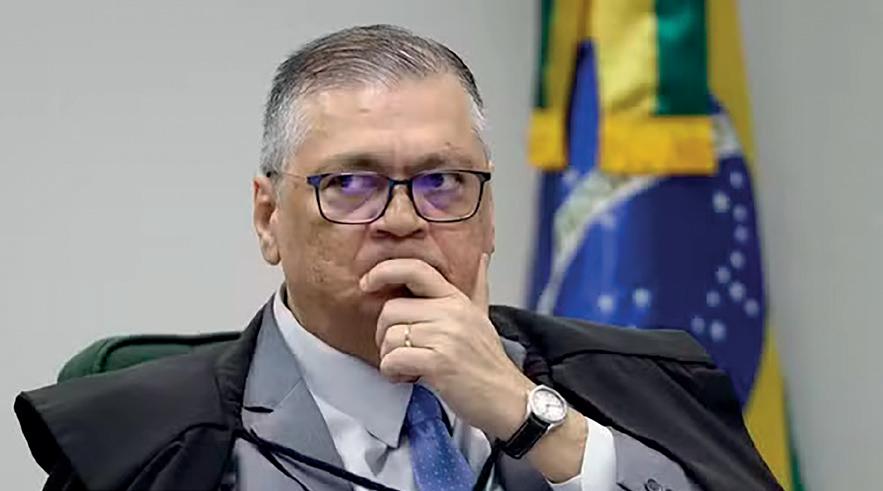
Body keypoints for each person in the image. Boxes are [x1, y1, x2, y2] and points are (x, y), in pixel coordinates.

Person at [15, 25, 781, 491]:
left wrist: (531, 420)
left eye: (443, 182)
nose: (404, 220)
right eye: (351, 184)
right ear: (267, 217)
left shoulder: (641, 389)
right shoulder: (149, 445)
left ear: (488, 213)